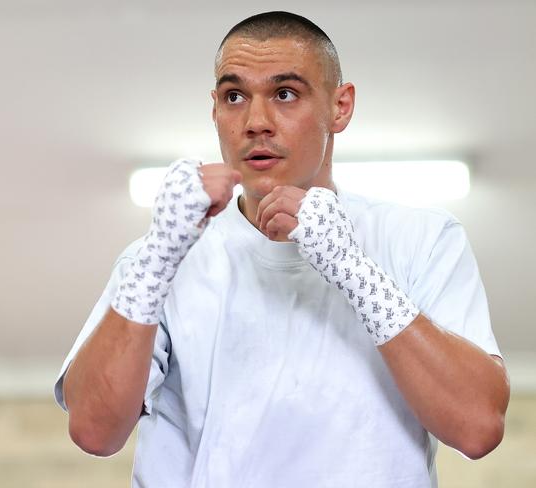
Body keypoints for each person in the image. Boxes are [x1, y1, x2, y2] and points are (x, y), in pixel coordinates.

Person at [54, 11, 510, 487]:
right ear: (214, 110)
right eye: (234, 97)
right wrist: (157, 258)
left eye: (285, 94)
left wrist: (353, 269)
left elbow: (478, 428)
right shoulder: (160, 258)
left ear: (340, 106)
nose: (255, 122)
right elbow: (93, 431)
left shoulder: (421, 238)